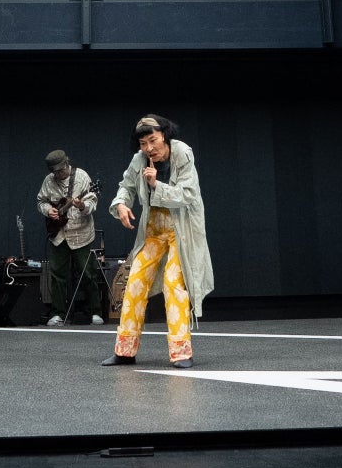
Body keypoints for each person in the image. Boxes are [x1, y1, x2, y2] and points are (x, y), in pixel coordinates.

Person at [101, 114, 213, 369]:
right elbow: (126, 186)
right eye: (143, 143)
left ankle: (181, 352)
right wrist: (121, 204)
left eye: (153, 140)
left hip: (180, 230)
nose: (149, 148)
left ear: (164, 135)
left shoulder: (182, 153)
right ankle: (125, 351)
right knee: (134, 282)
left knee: (174, 284)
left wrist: (155, 185)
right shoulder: (139, 159)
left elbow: (188, 194)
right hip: (153, 229)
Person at [36, 149, 106, 326]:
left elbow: (92, 201)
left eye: (60, 170)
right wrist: (48, 211)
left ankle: (95, 312)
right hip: (58, 235)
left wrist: (82, 205)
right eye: (55, 172)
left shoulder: (82, 177)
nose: (58, 174)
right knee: (57, 275)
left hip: (81, 234)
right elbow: (41, 201)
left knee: (88, 273)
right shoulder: (48, 181)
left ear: (67, 163)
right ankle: (58, 313)